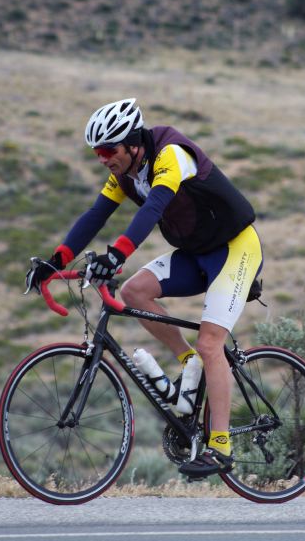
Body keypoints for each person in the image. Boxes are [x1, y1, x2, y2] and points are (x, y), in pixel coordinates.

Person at [29, 98, 262, 478]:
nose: (102, 158)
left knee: (210, 342)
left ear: (133, 144)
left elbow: (152, 209)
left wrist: (116, 256)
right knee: (135, 292)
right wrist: (54, 262)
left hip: (236, 248)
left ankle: (220, 445)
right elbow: (95, 215)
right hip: (196, 252)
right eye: (96, 152)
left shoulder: (171, 154)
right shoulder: (124, 173)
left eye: (108, 150)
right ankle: (189, 365)